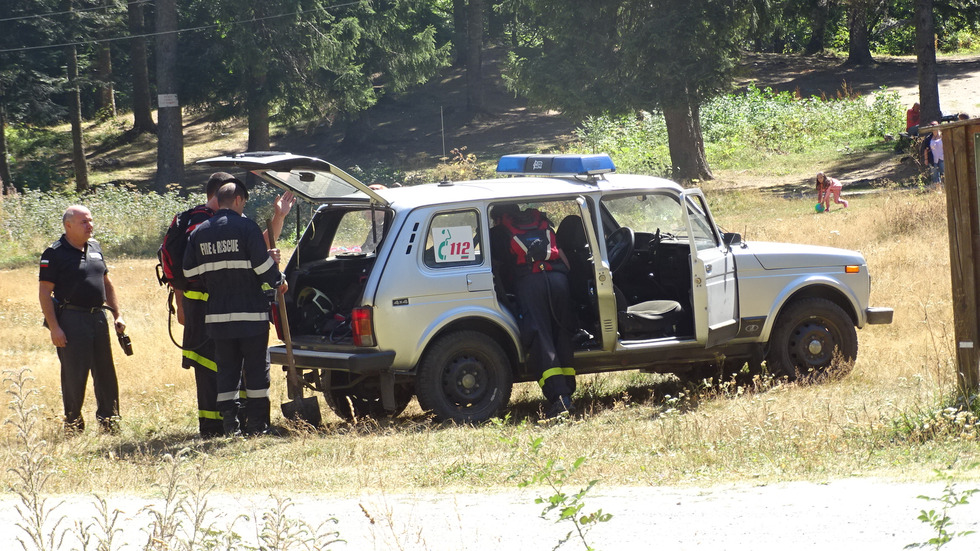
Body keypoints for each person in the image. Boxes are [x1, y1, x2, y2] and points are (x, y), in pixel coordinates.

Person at [171, 172, 295, 438]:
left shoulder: (200, 232)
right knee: (255, 370)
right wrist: (279, 279)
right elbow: (263, 268)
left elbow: (189, 271)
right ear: (238, 200)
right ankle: (258, 426)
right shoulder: (246, 227)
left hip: (216, 318)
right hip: (250, 315)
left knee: (226, 370)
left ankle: (231, 427)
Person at [39, 205, 126, 435]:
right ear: (68, 226)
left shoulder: (95, 247)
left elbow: (107, 283)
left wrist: (117, 314)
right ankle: (73, 426)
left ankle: (110, 422)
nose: (90, 226)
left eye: (90, 221)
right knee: (74, 375)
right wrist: (55, 328)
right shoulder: (54, 253)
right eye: (84, 222)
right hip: (71, 319)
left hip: (98, 317)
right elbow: (44, 293)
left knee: (106, 373)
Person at [494, 206, 576, 418]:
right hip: (559, 281)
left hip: (530, 284)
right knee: (562, 333)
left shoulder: (500, 232)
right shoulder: (542, 224)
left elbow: (496, 268)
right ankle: (568, 391)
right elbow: (564, 259)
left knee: (541, 337)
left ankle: (559, 398)